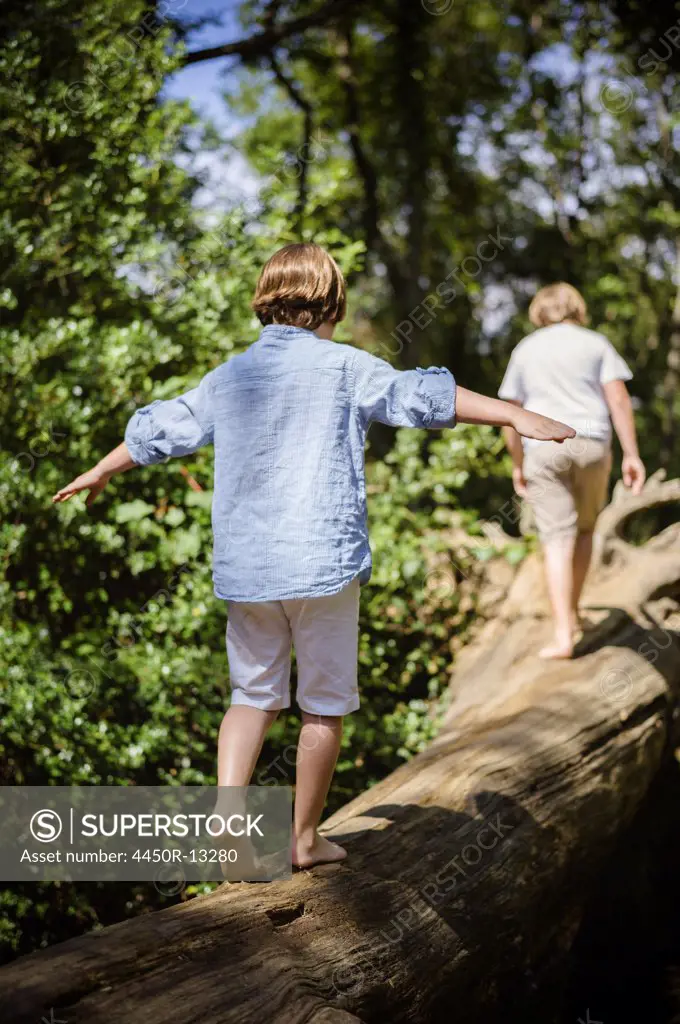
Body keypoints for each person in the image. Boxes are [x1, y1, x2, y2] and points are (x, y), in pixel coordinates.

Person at [53, 243, 574, 867]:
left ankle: (227, 815)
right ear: (331, 305)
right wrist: (513, 415)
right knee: (323, 704)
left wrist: (99, 469)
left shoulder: (232, 375)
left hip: (250, 570)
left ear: (265, 304)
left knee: (253, 696)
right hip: (322, 566)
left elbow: (164, 429)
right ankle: (303, 840)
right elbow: (423, 397)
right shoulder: (347, 367)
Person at [499, 282, 645, 660]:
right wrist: (631, 454)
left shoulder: (525, 349)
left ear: (539, 312)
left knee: (555, 539)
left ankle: (564, 633)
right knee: (584, 531)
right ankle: (575, 613)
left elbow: (509, 414)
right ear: (577, 308)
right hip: (592, 444)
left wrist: (517, 464)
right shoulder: (596, 343)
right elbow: (618, 398)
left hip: (544, 448)